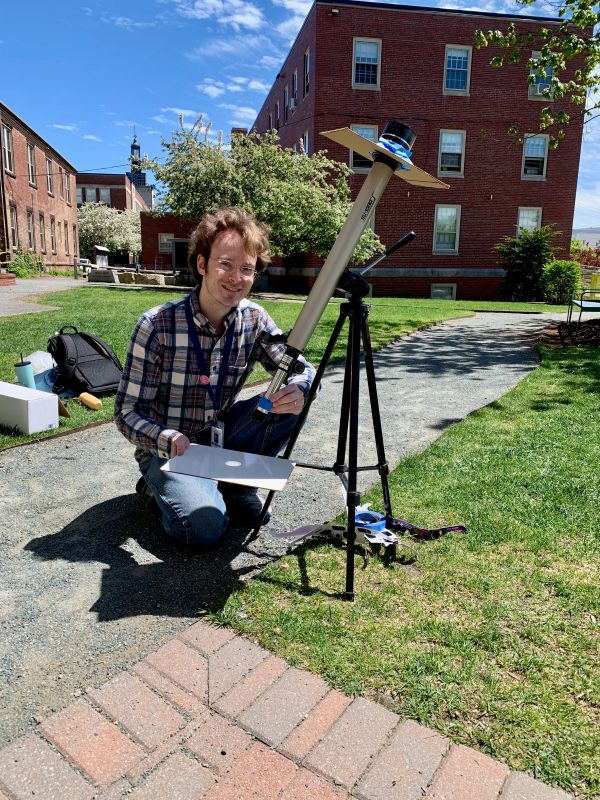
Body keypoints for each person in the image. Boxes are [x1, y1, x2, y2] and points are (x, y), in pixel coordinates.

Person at [115, 207, 315, 549]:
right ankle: (155, 488)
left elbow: (299, 367)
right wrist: (165, 438)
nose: (236, 278)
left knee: (297, 400)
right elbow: (126, 412)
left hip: (223, 437)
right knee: (204, 527)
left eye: (246, 269)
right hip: (171, 450)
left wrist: (300, 387)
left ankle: (235, 487)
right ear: (203, 264)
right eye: (226, 264)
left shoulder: (255, 320)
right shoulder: (157, 325)